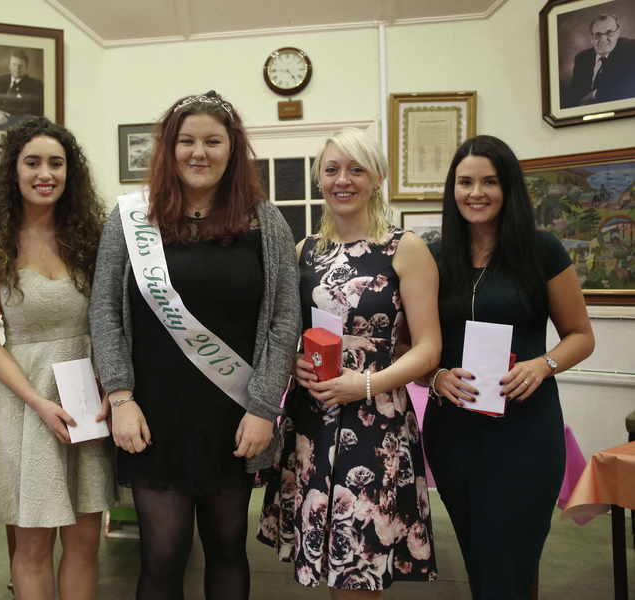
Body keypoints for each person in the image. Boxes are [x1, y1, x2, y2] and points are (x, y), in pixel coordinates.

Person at [89, 90, 300, 600]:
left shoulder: (264, 221)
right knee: (162, 554)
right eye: (186, 141)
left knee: (228, 547)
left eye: (212, 140)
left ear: (232, 149)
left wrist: (263, 407)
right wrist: (119, 397)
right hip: (151, 415)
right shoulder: (130, 220)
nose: (198, 152)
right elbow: (103, 314)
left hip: (234, 414)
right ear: (168, 148)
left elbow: (283, 320)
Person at [258, 128, 442, 597]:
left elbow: (427, 349)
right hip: (312, 421)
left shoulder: (406, 248)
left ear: (377, 177)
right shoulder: (305, 251)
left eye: (356, 169)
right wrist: (298, 359)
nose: (343, 180)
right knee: (329, 564)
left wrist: (361, 385)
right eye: (334, 169)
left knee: (359, 568)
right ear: (320, 178)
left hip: (373, 423)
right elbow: (290, 331)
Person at [423, 135, 595, 599]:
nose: (475, 193)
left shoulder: (542, 250)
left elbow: (581, 336)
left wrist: (543, 365)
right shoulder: (434, 257)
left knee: (513, 557)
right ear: (452, 189)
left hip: (525, 432)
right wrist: (435, 376)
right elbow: (413, 345)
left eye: (489, 182)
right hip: (454, 432)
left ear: (508, 189)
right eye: (464, 182)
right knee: (481, 557)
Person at [0, 116, 114, 600]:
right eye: (33, 163)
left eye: (56, 163)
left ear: (71, 173)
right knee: (32, 547)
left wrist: (114, 389)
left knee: (86, 542)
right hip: (25, 403)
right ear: (14, 171)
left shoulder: (92, 237)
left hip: (87, 400)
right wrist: (37, 402)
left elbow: (112, 320)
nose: (45, 173)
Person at [565, 13, 635, 107]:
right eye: (598, 35)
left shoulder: (631, 49)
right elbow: (573, 96)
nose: (603, 39)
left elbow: (628, 88)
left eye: (609, 33)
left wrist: (595, 95)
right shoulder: (582, 58)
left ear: (618, 32)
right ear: (591, 38)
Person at [0, 49, 45, 131]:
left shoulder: (35, 85)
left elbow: (31, 113)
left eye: (21, 66)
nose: (17, 69)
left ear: (26, 67)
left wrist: (2, 121)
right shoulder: (1, 79)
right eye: (14, 65)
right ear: (9, 66)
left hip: (16, 123)